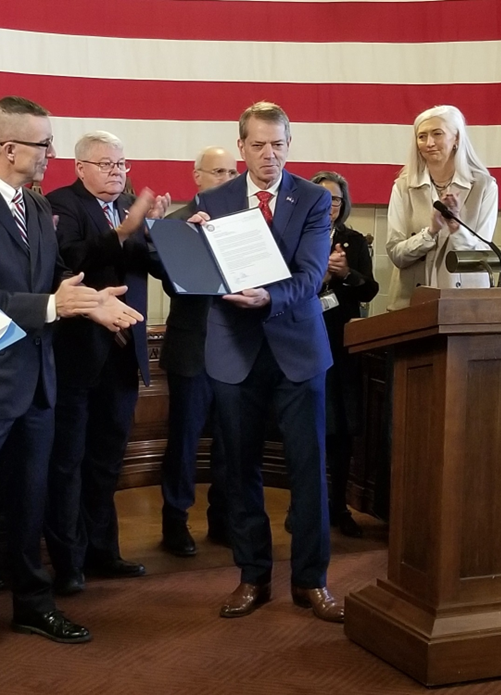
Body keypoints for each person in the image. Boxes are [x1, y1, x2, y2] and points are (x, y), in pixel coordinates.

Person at [0, 96, 144, 682]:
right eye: (45, 144)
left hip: (39, 383)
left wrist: (92, 303)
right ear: (10, 149)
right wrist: (54, 302)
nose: (53, 153)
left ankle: (32, 604)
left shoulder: (37, 204)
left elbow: (50, 283)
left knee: (31, 503)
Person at [190, 101, 343, 622]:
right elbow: (189, 279)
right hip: (234, 352)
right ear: (241, 147)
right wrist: (193, 247)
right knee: (239, 471)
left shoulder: (314, 199)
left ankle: (311, 581)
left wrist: (268, 299)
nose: (269, 154)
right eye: (258, 145)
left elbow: (311, 273)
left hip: (298, 350)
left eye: (278, 144)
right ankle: (252, 576)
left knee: (308, 471)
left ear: (288, 145)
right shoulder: (212, 200)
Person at [44, 131, 169, 595]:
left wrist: (158, 228)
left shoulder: (133, 207)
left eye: (122, 164)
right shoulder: (61, 204)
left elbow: (157, 267)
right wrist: (121, 231)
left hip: (123, 356)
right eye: (106, 164)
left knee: (106, 461)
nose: (117, 172)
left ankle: (103, 551)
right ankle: (67, 561)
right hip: (77, 355)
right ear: (80, 168)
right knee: (68, 461)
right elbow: (71, 258)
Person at [158, 146, 237, 556]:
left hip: (235, 351)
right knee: (184, 442)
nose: (226, 178)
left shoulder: (248, 223)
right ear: (198, 176)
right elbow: (173, 283)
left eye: (231, 171)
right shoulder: (177, 224)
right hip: (192, 348)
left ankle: (222, 519)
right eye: (217, 171)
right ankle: (175, 523)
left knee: (230, 442)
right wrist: (192, 239)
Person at [309, 171, 379, 537]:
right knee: (311, 428)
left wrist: (346, 273)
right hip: (306, 341)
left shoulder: (352, 241)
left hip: (343, 344)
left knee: (341, 430)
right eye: (323, 199)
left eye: (335, 200)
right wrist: (320, 278)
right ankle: (304, 507)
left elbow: (369, 290)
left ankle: (338, 505)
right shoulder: (298, 236)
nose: (330, 206)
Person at [386, 104, 498, 310]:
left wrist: (457, 230)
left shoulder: (484, 186)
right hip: (411, 306)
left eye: (437, 134)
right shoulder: (403, 187)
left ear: (456, 138)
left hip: (465, 307)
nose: (429, 143)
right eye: (422, 136)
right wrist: (430, 232)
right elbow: (396, 254)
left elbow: (484, 258)